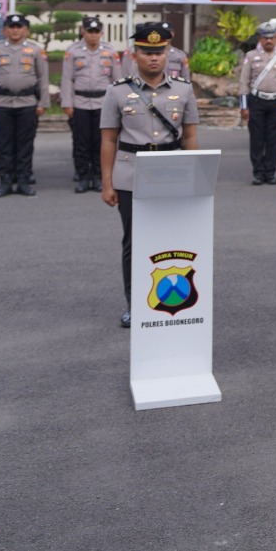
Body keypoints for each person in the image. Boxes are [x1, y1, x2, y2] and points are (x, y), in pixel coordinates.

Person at [101, 21, 200, 328]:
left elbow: (192, 137)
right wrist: (107, 182)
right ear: (134, 54)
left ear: (168, 52)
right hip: (132, 174)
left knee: (175, 240)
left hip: (173, 172)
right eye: (147, 52)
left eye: (159, 51)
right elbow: (108, 139)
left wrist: (197, 178)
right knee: (135, 241)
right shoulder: (117, 92)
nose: (153, 58)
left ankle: (175, 296)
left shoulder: (183, 90)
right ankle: (134, 302)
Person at [0, 13, 49, 197]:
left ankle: (23, 180)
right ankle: (5, 181)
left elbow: (43, 78)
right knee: (4, 144)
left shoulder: (35, 51)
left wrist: (43, 102)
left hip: (27, 103)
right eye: (11, 27)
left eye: (19, 27)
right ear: (4, 30)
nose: (15, 30)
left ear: (26, 30)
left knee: (25, 144)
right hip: (2, 103)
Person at [60, 16, 118, 193]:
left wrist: (118, 106)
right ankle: (84, 176)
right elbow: (67, 79)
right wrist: (67, 103)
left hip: (103, 103)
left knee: (101, 142)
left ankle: (99, 177)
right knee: (82, 143)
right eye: (89, 31)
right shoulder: (73, 51)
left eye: (96, 32)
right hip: (80, 103)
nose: (93, 35)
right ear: (82, 32)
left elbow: (117, 80)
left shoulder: (110, 52)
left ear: (101, 33)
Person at [239, 20, 276, 185]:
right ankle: (258, 172)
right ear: (260, 39)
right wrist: (244, 106)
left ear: (275, 39)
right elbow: (243, 82)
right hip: (257, 101)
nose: (269, 41)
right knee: (257, 138)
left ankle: (270, 172)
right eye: (265, 38)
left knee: (273, 138)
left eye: (271, 38)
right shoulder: (251, 56)